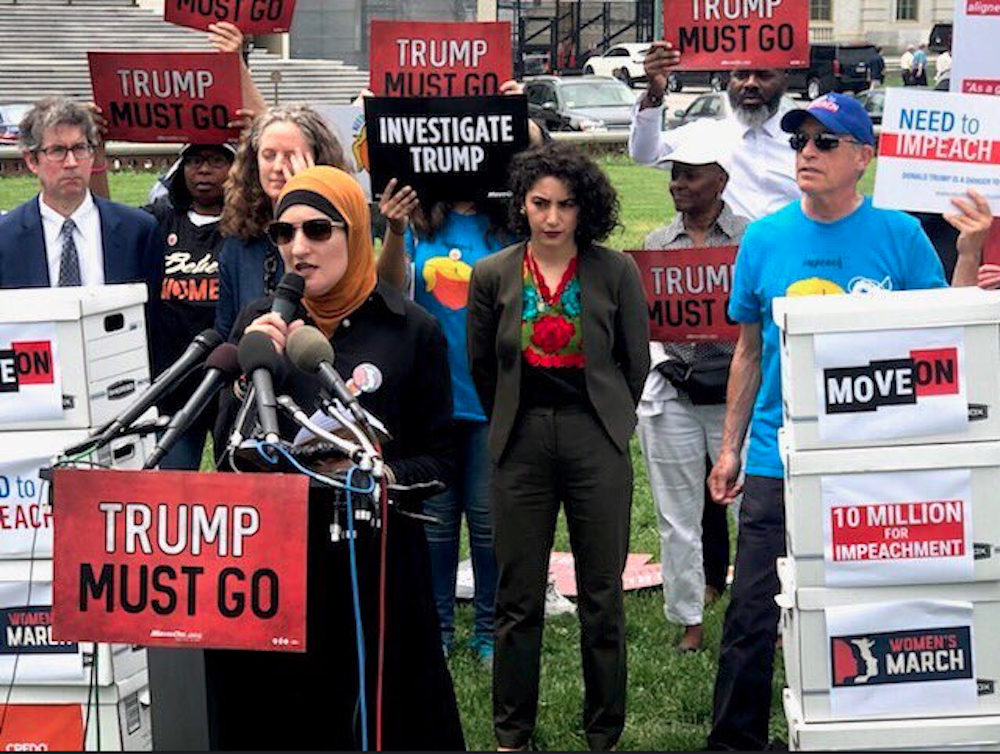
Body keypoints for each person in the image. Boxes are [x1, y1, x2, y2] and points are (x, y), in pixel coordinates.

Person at [705, 93, 991, 751]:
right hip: (783, 460)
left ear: (863, 157)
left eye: (825, 142)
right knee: (752, 613)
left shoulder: (899, 235)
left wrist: (971, 252)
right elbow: (748, 349)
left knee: (872, 609)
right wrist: (730, 449)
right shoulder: (766, 237)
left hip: (875, 462)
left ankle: (861, 730)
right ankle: (734, 742)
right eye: (800, 141)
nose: (807, 152)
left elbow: (943, 334)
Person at [204, 165, 465, 750]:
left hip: (375, 561)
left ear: (356, 232)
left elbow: (440, 458)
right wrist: (250, 381)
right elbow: (227, 455)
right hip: (276, 563)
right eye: (284, 232)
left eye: (319, 230)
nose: (299, 247)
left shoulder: (411, 330)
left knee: (388, 712)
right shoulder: (258, 323)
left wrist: (375, 475)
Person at [467, 142, 650, 751]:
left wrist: (612, 426)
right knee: (517, 596)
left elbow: (635, 359)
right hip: (520, 439)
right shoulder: (493, 273)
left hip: (592, 433)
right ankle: (511, 734)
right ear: (521, 204)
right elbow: (481, 366)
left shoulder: (615, 270)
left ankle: (604, 733)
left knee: (603, 595)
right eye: (540, 203)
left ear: (583, 209)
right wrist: (508, 422)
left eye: (565, 205)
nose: (552, 217)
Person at [376, 80, 545, 666]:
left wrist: (513, 113)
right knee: (437, 525)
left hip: (496, 399)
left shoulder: (516, 221)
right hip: (434, 399)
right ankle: (439, 631)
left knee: (491, 524)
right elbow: (390, 292)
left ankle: (491, 632)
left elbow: (545, 161)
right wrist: (396, 230)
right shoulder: (419, 218)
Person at [636, 135, 748, 654]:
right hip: (675, 394)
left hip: (736, 397)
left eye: (690, 174)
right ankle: (689, 621)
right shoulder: (655, 247)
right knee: (677, 515)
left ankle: (760, 613)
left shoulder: (749, 241)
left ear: (720, 179)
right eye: (673, 174)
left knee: (754, 513)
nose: (678, 184)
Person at [0, 97, 161, 301]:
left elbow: (152, 319)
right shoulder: (5, 237)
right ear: (32, 160)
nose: (71, 162)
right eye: (57, 151)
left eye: (79, 148)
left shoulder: (138, 231)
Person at [214, 104, 351, 340]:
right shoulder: (238, 241)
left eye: (290, 156)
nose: (278, 167)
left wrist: (308, 192)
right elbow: (226, 332)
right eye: (269, 156)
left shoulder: (338, 231)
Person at [630, 41, 800, 221]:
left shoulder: (807, 143)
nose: (750, 84)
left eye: (763, 76)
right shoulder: (707, 135)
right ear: (729, 81)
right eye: (741, 75)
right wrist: (655, 94)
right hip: (725, 246)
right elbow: (644, 154)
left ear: (784, 82)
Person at [144, 142, 236, 470]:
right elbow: (111, 223)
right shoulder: (159, 220)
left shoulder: (247, 227)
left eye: (215, 160)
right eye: (194, 161)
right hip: (174, 384)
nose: (204, 170)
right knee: (173, 489)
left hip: (232, 386)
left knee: (240, 488)